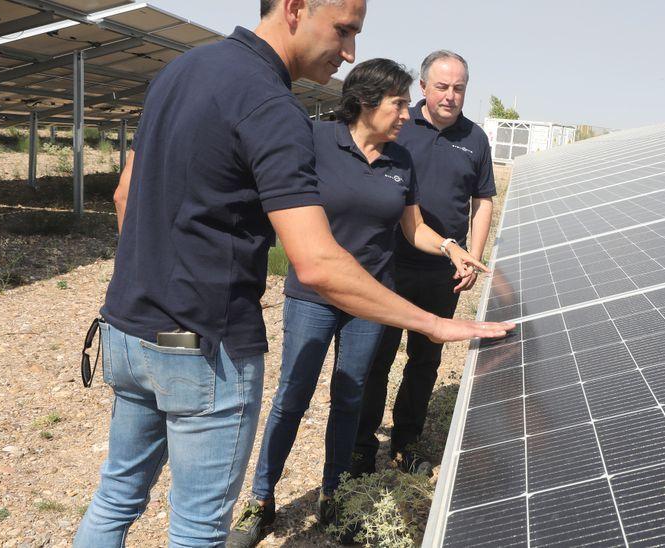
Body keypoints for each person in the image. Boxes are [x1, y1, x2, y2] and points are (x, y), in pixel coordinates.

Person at [73, 1, 513, 545]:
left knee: (116, 498)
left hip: (125, 329)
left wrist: (160, 282)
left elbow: (124, 194)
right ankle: (262, 500)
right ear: (296, 8)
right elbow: (317, 264)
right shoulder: (274, 106)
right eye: (344, 30)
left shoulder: (182, 69)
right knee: (198, 528)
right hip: (205, 345)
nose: (349, 51)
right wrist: (434, 323)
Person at [226, 58, 487, 547]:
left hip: (371, 296)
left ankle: (334, 492)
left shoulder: (399, 159)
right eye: (398, 104)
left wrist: (453, 248)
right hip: (315, 294)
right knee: (292, 396)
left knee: (350, 397)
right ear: (367, 103)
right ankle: (259, 501)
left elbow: (413, 228)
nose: (407, 114)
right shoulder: (317, 138)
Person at [353, 50, 497, 476]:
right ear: (423, 87)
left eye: (459, 88)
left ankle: (406, 443)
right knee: (377, 358)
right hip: (392, 266)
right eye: (442, 87)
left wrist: (472, 255)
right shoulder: (398, 127)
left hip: (442, 274)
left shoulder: (475, 139)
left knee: (425, 360)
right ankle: (361, 446)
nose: (451, 96)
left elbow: (483, 200)